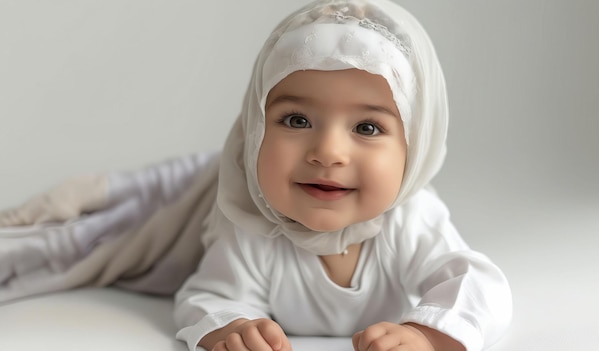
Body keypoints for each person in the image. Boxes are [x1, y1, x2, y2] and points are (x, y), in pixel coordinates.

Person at [174, 0, 512, 350]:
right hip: (205, 186)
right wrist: (233, 328)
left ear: (414, 149)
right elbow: (210, 296)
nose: (328, 153)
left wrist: (427, 335)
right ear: (255, 128)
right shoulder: (251, 222)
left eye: (366, 127)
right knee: (169, 193)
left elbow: (479, 287)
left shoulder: (410, 220)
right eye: (297, 120)